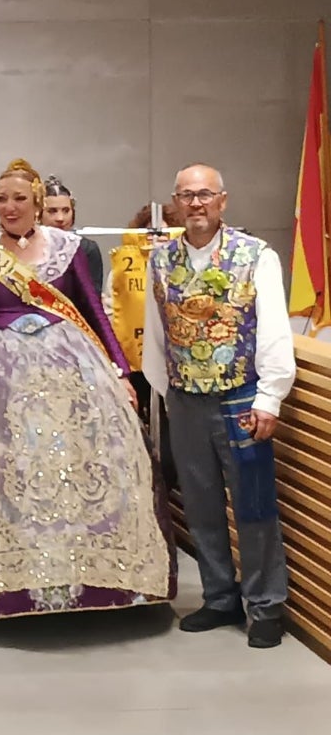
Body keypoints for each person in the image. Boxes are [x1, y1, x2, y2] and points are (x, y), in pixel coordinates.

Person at [0, 158, 173, 619]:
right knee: (9, 478)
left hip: (70, 375)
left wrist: (121, 372)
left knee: (85, 468)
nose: (10, 206)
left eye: (19, 198)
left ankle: (93, 578)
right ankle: (13, 584)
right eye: (2, 199)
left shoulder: (69, 248)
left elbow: (94, 312)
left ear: (38, 203)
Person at [143, 164, 295, 648]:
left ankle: (266, 604)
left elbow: (273, 329)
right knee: (202, 504)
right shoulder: (161, 260)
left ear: (222, 201)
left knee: (252, 504)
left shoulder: (256, 256)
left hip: (242, 397)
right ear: (176, 203)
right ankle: (219, 596)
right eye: (186, 196)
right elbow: (157, 331)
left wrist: (271, 396)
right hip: (185, 399)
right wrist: (166, 392)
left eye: (204, 194)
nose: (195, 204)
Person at [103, 202, 185, 489]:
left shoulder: (183, 267)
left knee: (175, 440)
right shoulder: (122, 271)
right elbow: (112, 312)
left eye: (162, 234)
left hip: (176, 365)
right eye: (149, 234)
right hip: (135, 363)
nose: (155, 240)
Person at [42, 176, 103, 289]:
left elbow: (93, 297)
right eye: (52, 211)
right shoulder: (28, 249)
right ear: (38, 214)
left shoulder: (86, 249)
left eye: (66, 211)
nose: (60, 218)